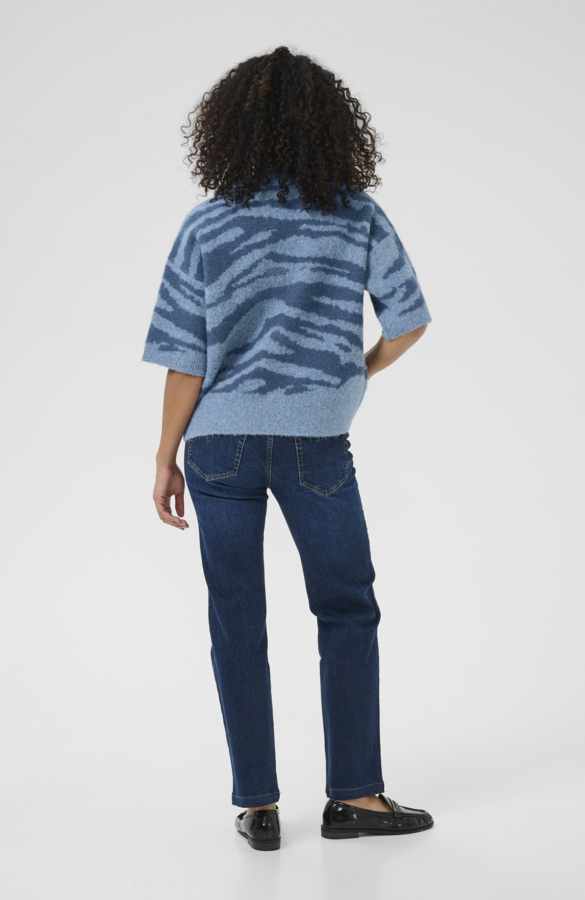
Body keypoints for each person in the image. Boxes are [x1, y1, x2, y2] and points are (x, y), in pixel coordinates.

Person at [142, 46, 434, 851]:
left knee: (236, 620)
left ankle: (260, 807)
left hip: (218, 448)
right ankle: (357, 797)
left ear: (228, 129)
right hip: (317, 445)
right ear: (332, 124)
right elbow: (409, 321)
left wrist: (165, 455)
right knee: (346, 608)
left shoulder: (206, 223)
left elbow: (184, 358)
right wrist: (351, 375)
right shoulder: (356, 213)